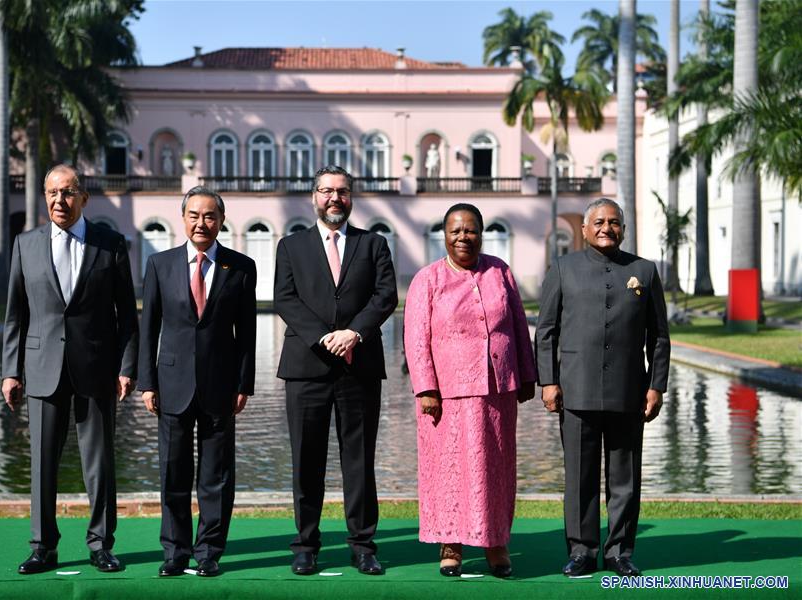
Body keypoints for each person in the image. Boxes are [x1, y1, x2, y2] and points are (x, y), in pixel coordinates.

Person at [1, 164, 139, 575]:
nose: (59, 201)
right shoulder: (25, 244)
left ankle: (101, 544)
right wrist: (11, 370)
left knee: (99, 464)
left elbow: (125, 316)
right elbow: (15, 315)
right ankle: (43, 546)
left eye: (67, 192)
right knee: (42, 464)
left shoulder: (110, 244)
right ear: (45, 197)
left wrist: (126, 366)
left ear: (83, 198)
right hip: (42, 368)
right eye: (52, 193)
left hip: (96, 369)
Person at [535, 198, 670, 578]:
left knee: (624, 478)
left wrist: (655, 386)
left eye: (613, 222)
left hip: (629, 391)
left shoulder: (643, 271)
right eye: (598, 221)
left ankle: (619, 552)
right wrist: (548, 381)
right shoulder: (563, 268)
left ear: (623, 229)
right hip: (575, 391)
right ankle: (581, 551)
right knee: (580, 478)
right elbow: (546, 332)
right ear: (584, 228)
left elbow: (659, 337)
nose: (606, 228)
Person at [274, 165, 397, 576]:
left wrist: (354, 334)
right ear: (314, 196)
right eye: (326, 191)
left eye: (342, 192)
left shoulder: (373, 244)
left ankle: (362, 544)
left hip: (358, 366)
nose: (334, 199)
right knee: (306, 460)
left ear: (351, 198)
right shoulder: (290, 247)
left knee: (358, 460)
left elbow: (385, 297)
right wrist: (324, 338)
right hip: (306, 367)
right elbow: (286, 300)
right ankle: (305, 544)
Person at [404, 203, 536, 578]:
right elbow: (416, 340)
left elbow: (518, 326)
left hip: (497, 390)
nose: (463, 237)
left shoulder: (500, 272)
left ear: (481, 233)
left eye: (471, 230)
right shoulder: (427, 279)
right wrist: (426, 388)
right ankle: (451, 544)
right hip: (445, 395)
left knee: (495, 468)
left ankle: (496, 542)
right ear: (444, 236)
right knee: (447, 472)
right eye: (455, 231)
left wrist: (526, 375)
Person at [137, 186, 256, 577]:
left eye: (209, 216)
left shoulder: (240, 267)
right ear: (183, 219)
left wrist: (245, 383)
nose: (201, 223)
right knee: (173, 472)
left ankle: (209, 552)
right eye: (194, 215)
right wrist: (146, 382)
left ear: (221, 221)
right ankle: (174, 551)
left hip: (221, 386)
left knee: (216, 475)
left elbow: (247, 333)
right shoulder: (160, 264)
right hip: (170, 383)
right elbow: (148, 326)